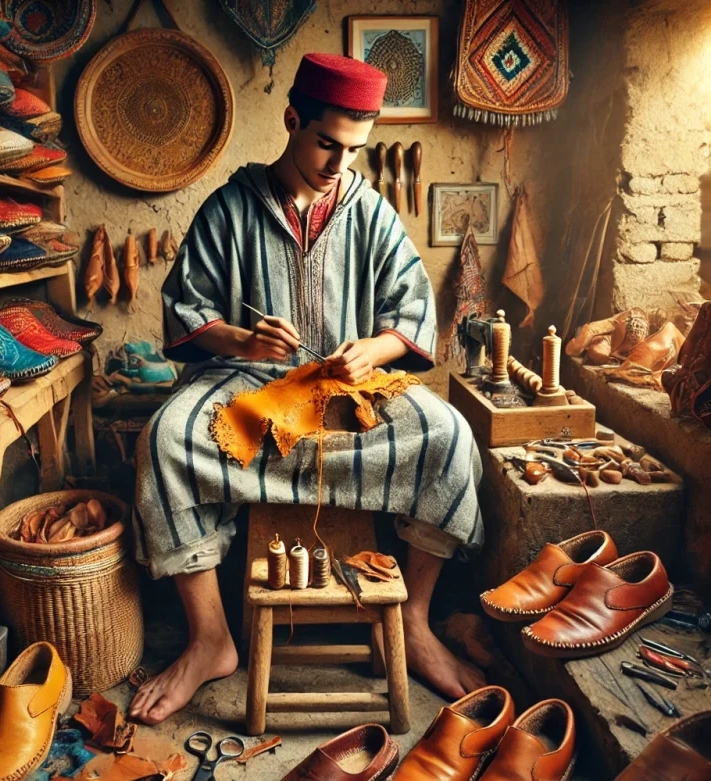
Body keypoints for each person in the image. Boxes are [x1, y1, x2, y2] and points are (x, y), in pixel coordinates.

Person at [129, 53, 486, 726]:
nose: (337, 164)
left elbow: (411, 319)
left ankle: (413, 623)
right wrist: (244, 341)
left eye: (353, 149)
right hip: (247, 387)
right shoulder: (230, 208)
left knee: (448, 437)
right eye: (327, 143)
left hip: (346, 392)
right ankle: (210, 640)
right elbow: (185, 311)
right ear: (293, 120)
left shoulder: (372, 214)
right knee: (165, 440)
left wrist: (370, 350)